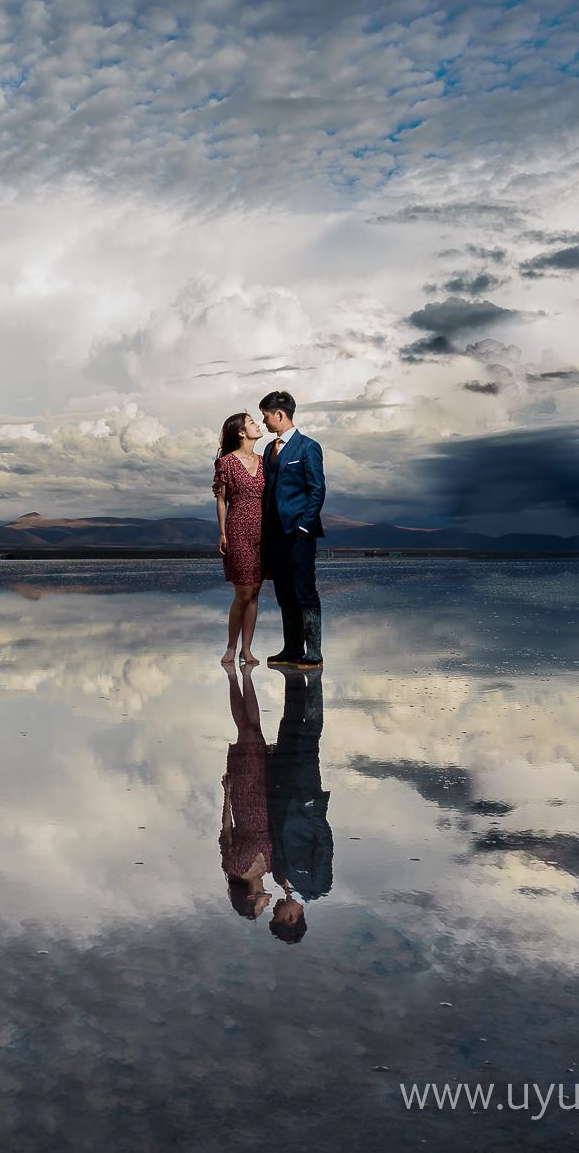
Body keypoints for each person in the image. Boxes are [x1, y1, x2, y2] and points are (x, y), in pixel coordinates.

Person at [257, 389, 326, 670]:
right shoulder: (268, 451)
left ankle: (314, 653)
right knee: (284, 592)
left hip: (298, 534)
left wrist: (303, 527)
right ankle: (292, 648)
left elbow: (317, 490)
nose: (263, 423)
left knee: (304, 591)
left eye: (265, 417)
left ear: (279, 414)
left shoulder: (308, 447)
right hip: (274, 535)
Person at [266, 668, 331, 944]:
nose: (273, 910)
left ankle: (292, 676)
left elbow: (274, 832)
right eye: (277, 916)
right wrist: (311, 807)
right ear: (292, 918)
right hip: (304, 794)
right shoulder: (318, 886)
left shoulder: (279, 876)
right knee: (308, 738)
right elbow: (325, 844)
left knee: (289, 725)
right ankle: (315, 678)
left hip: (280, 792)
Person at [211, 411, 265, 667]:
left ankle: (247, 649)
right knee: (242, 592)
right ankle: (231, 646)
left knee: (255, 592)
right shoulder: (227, 463)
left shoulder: (266, 461)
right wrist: (222, 532)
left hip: (264, 531)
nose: (258, 424)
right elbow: (221, 500)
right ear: (241, 432)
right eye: (252, 422)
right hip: (238, 528)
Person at [219, 666, 273, 920]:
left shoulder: (234, 867)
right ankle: (245, 675)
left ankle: (234, 676)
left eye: (261, 908)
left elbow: (226, 831)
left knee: (247, 733)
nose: (266, 905)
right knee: (256, 731)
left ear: (250, 899)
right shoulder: (268, 869)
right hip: (265, 796)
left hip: (243, 799)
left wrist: (227, 793)